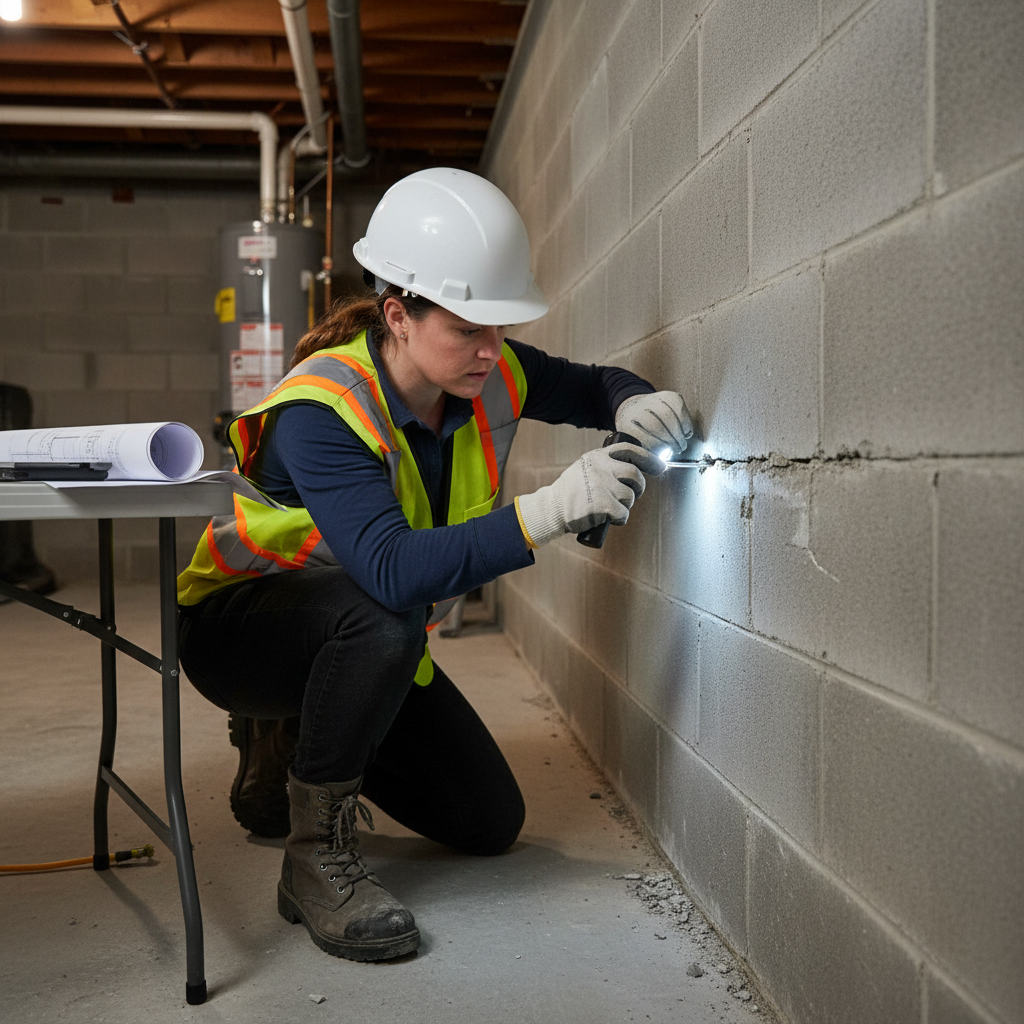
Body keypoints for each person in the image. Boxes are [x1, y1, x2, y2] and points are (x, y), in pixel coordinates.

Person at [176, 167, 693, 964]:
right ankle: (316, 857)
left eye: (500, 328)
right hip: (243, 634)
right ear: (398, 315)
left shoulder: (490, 371)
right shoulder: (324, 412)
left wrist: (632, 402)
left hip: (363, 633)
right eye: (468, 329)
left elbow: (594, 387)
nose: (492, 351)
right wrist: (550, 509)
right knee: (380, 616)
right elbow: (388, 570)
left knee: (489, 822)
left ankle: (292, 742)